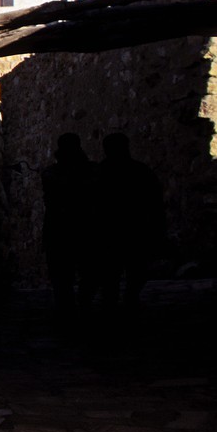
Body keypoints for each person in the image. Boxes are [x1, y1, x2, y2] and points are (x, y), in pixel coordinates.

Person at [95, 132, 163, 309]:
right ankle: (128, 299)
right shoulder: (140, 170)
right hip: (133, 230)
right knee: (133, 271)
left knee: (114, 273)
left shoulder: (99, 172)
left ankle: (115, 303)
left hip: (114, 231)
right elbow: (155, 201)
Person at [40, 133, 96, 317]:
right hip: (85, 230)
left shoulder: (50, 174)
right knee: (87, 272)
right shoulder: (91, 171)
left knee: (62, 276)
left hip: (59, 231)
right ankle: (82, 305)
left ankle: (67, 311)